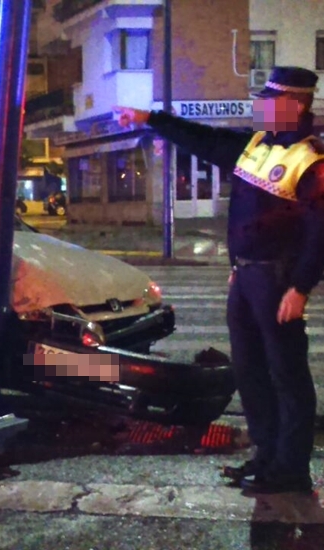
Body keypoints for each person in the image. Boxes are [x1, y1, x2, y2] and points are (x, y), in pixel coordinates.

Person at [115, 66, 324, 495]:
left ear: (295, 106)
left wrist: (301, 287)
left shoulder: (310, 161)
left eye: (268, 101)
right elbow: (204, 140)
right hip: (246, 277)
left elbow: (321, 230)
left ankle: (291, 468)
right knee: (250, 372)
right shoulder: (255, 146)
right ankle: (266, 457)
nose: (259, 107)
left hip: (278, 279)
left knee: (286, 374)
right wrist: (150, 118)